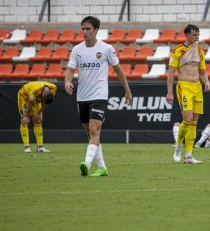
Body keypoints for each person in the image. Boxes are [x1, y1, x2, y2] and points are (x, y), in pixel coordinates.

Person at [65, 16, 132, 177]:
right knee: (90, 134)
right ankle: (102, 167)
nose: (85, 32)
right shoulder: (77, 50)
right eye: (83, 29)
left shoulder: (106, 49)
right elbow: (70, 70)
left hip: (99, 96)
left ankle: (86, 164)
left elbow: (118, 70)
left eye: (88, 29)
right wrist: (67, 81)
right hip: (82, 97)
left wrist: (127, 91)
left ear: (96, 30)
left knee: (95, 129)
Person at [166, 24, 210, 163]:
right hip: (184, 86)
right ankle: (178, 146)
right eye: (194, 35)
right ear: (186, 35)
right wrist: (170, 92)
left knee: (194, 123)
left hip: (197, 87)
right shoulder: (178, 51)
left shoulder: (200, 51)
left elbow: (202, 72)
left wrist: (207, 82)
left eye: (198, 35)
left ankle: (189, 156)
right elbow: (171, 73)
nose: (196, 37)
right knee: (187, 119)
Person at [17, 81, 57, 153]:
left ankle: (40, 147)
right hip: (25, 97)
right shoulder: (35, 90)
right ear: (43, 94)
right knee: (25, 121)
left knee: (38, 120)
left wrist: (39, 113)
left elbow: (45, 103)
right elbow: (30, 103)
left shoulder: (53, 88)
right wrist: (27, 115)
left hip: (37, 100)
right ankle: (26, 147)